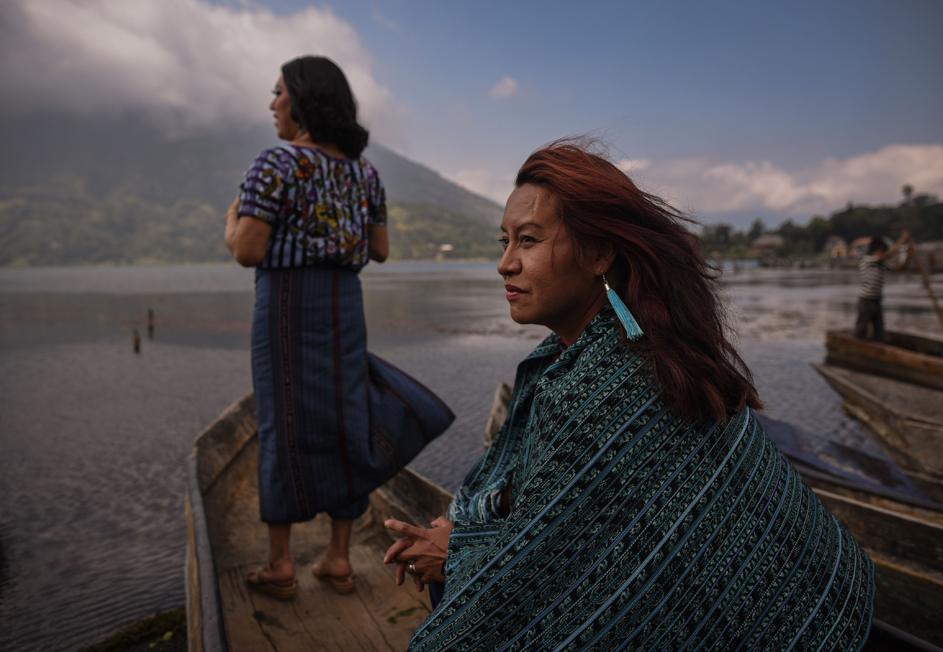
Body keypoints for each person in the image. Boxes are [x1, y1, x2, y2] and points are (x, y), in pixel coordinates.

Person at [384, 141, 874, 649]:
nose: (504, 264)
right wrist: (462, 532)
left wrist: (455, 551)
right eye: (503, 242)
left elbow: (541, 577)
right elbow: (553, 521)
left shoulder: (608, 390)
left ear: (598, 254)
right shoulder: (648, 343)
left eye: (528, 241)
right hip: (831, 609)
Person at [225, 55, 453, 600]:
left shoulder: (273, 165)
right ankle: (338, 558)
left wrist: (230, 222)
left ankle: (281, 565)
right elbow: (380, 250)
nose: (271, 102)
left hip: (285, 305)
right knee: (347, 417)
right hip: (344, 307)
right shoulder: (365, 172)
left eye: (278, 92)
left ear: (302, 101)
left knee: (282, 421)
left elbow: (248, 251)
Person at [856, 231, 910, 340]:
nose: (883, 253)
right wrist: (901, 241)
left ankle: (878, 343)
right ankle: (857, 344)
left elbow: (899, 269)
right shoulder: (867, 260)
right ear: (876, 250)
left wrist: (909, 256)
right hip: (866, 300)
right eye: (882, 251)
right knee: (861, 328)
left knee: (879, 329)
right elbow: (888, 254)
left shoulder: (881, 264)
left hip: (877, 300)